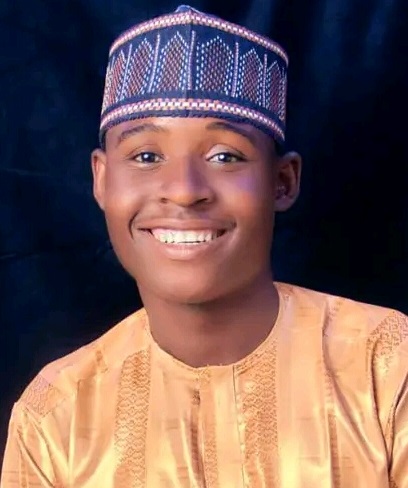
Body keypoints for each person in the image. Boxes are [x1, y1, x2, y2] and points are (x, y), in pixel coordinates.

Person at [1, 5, 408, 487]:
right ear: (103, 180)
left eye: (225, 156)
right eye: (146, 156)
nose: (184, 190)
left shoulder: (385, 366)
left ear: (282, 181)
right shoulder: (56, 419)